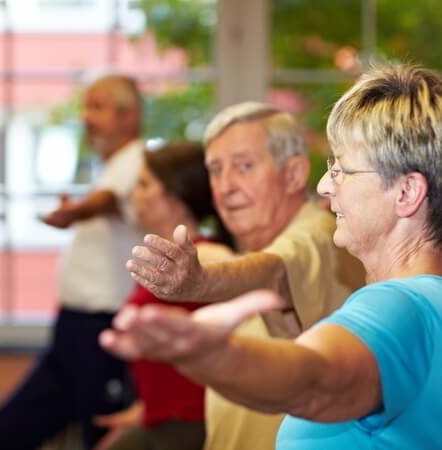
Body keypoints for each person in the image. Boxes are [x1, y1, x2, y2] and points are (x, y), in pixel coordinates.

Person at [101, 64, 442, 449]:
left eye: (342, 170)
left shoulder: (398, 304)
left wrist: (211, 353)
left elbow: (314, 381)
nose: (324, 185)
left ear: (406, 193)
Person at [121, 103, 365, 450]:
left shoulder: (319, 233)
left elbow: (273, 272)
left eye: (244, 166)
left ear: (294, 174)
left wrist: (201, 281)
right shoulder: (255, 244)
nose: (225, 186)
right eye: (215, 170)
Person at [0, 74, 144, 450]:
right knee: (7, 430)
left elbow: (107, 200)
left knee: (102, 437)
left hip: (103, 331)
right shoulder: (110, 164)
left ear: (130, 116)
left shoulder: (137, 160)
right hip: (72, 331)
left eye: (98, 106)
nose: (86, 116)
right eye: (86, 106)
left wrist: (74, 213)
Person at [93, 142, 233, 450]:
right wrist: (146, 409)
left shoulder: (207, 258)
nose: (133, 195)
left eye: (144, 185)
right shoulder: (167, 258)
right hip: (163, 417)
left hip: (190, 422)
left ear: (175, 196)